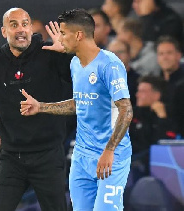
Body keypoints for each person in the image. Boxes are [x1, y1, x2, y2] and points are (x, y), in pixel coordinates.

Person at [20, 8, 133, 211]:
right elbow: (80, 103)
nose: (60, 38)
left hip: (110, 156)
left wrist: (109, 150)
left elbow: (126, 110)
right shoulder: (75, 64)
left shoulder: (110, 65)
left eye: (63, 33)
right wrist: (41, 106)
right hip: (82, 156)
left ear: (78, 35)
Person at [0, 7, 73, 211]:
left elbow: (75, 84)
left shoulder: (50, 53)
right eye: (14, 25)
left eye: (25, 24)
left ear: (31, 28)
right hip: (11, 156)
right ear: (4, 31)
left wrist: (66, 55)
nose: (21, 30)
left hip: (48, 154)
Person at [107, 39, 140, 106]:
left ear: (129, 54)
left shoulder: (138, 81)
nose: (116, 56)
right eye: (112, 53)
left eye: (120, 52)